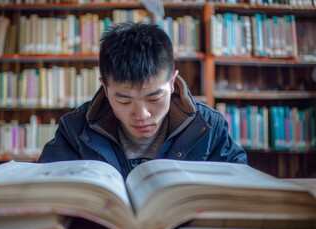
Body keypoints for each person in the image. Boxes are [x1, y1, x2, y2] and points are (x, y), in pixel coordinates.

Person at [38, 22, 247, 178]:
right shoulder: (75, 129)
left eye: (154, 97)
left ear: (172, 82)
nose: (142, 115)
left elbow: (238, 186)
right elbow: (48, 188)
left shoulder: (209, 127)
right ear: (105, 87)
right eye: (125, 102)